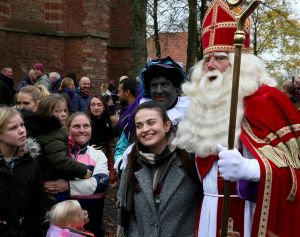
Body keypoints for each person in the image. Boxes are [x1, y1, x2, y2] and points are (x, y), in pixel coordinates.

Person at [173, 0, 300, 236]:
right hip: (209, 212)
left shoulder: (267, 101)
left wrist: (252, 169)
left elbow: (295, 169)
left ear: (242, 64)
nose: (210, 65)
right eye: (207, 58)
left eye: (220, 57)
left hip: (250, 213)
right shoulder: (202, 104)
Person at [117, 101, 201, 237]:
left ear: (167, 125)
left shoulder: (189, 161)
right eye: (139, 126)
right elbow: (130, 217)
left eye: (151, 122)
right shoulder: (132, 165)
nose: (144, 129)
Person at [114, 56, 190, 172]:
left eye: (164, 84)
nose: (159, 91)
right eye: (154, 85)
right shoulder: (139, 114)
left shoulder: (191, 114)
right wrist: (121, 164)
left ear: (176, 87)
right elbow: (121, 146)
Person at [44, 112, 109, 237]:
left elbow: (101, 185)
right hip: (60, 220)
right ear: (67, 129)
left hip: (91, 217)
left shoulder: (98, 155)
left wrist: (67, 186)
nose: (82, 130)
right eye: (76, 126)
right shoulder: (58, 154)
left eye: (86, 126)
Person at [24, 95, 91, 184]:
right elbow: (60, 161)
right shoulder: (51, 134)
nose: (63, 114)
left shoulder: (52, 130)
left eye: (65, 110)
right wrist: (84, 171)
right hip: (54, 181)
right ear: (46, 113)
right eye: (57, 111)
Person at [0, 106, 46, 237]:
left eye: (22, 125)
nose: (21, 131)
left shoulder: (30, 161)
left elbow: (38, 203)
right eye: (13, 128)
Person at [87, 95, 117, 184]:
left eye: (99, 105)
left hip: (104, 155)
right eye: (93, 105)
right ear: (89, 107)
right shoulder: (85, 122)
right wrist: (87, 147)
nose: (96, 108)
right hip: (89, 158)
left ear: (104, 107)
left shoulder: (107, 122)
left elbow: (110, 145)